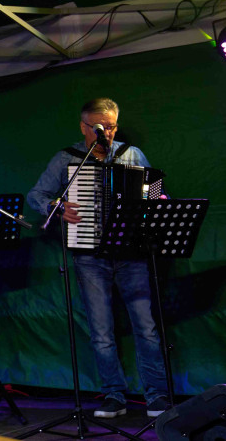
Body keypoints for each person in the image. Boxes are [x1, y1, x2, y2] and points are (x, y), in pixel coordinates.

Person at [27, 97, 170, 419]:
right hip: (89, 256)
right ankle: (113, 395)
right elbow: (36, 195)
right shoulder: (67, 158)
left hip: (131, 254)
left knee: (146, 327)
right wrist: (58, 208)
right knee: (101, 330)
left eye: (111, 126)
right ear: (84, 127)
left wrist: (159, 200)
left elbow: (155, 192)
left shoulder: (131, 155)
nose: (105, 133)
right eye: (98, 127)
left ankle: (157, 395)